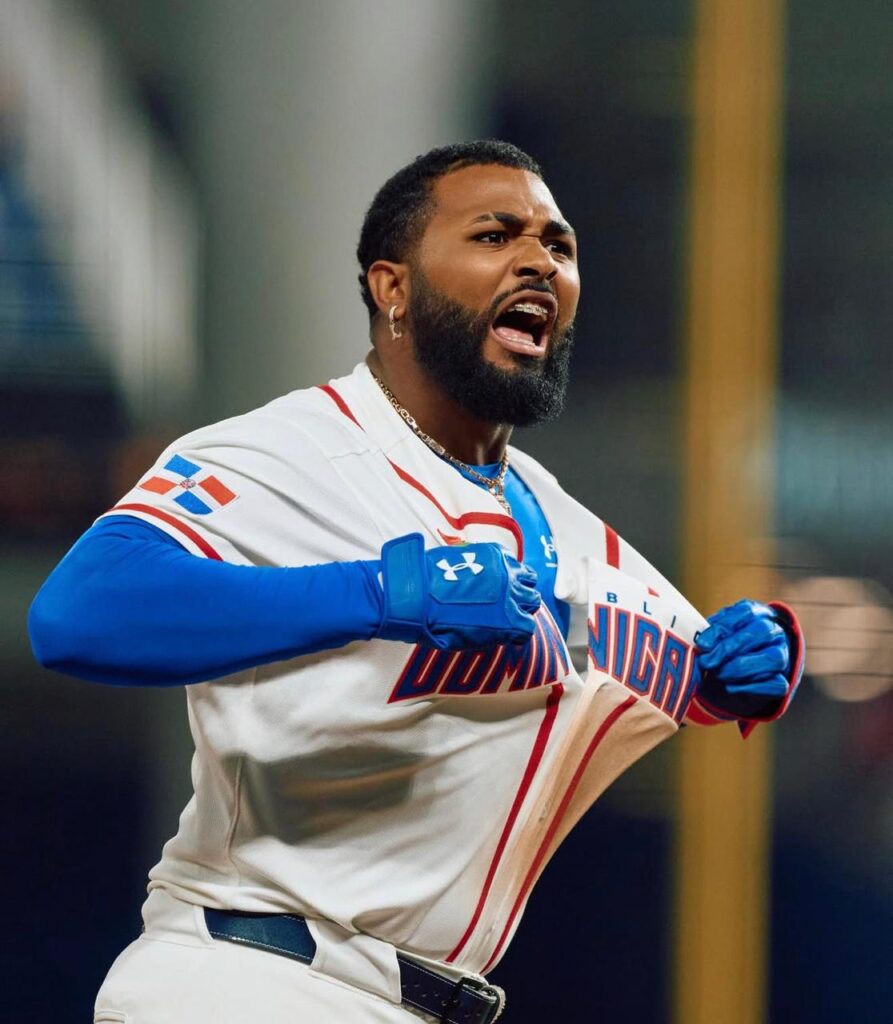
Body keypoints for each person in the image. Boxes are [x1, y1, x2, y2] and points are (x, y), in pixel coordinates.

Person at [29, 140, 804, 1024]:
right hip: (250, 976)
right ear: (392, 287)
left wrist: (740, 670)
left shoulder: (557, 521)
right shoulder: (292, 450)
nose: (537, 261)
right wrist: (376, 594)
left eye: (557, 244)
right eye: (493, 235)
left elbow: (676, 661)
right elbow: (76, 614)